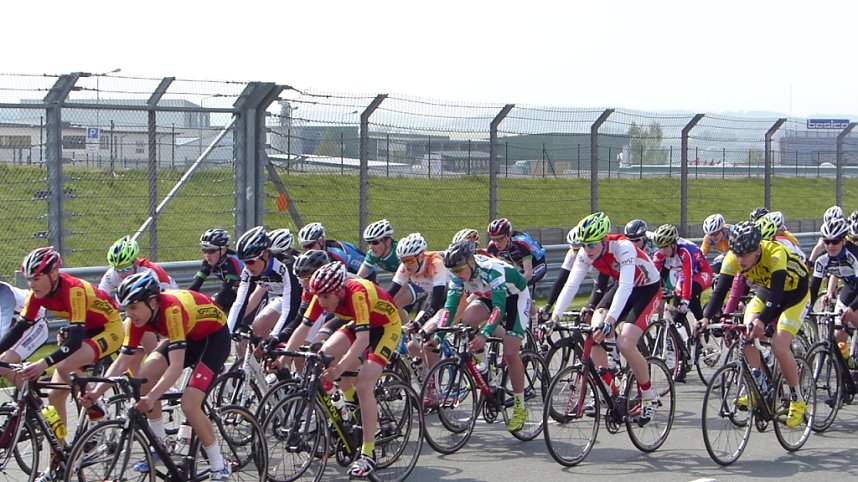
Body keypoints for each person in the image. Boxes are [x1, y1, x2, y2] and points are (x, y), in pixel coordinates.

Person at [80, 272, 232, 479]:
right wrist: (97, 393)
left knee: (189, 404)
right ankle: (161, 444)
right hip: (187, 336)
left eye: (133, 308)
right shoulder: (137, 319)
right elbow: (123, 360)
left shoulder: (172, 311)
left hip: (213, 339)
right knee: (144, 378)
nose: (129, 314)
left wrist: (152, 398)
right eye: (126, 309)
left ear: (152, 302)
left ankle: (219, 465)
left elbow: (176, 366)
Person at [16, 247, 123, 480]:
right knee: (55, 398)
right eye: (29, 279)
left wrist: (44, 363)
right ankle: (58, 459)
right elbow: (20, 327)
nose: (32, 285)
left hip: (109, 328)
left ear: (53, 274)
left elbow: (74, 340)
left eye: (37, 278)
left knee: (63, 367)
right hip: (84, 330)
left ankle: (96, 411)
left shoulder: (72, 289)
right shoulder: (37, 295)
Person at [549, 212, 663, 422]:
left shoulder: (624, 248)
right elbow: (571, 284)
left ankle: (648, 394)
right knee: (594, 330)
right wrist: (554, 317)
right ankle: (610, 388)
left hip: (646, 288)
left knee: (625, 342)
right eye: (584, 244)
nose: (587, 250)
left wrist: (611, 322)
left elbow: (627, 285)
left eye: (592, 244)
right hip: (623, 287)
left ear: (603, 239)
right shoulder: (585, 253)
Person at [697, 221, 810, 428]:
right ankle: (760, 387)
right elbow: (721, 291)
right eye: (737, 254)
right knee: (746, 334)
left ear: (757, 249)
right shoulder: (734, 257)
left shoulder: (775, 253)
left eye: (745, 254)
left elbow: (777, 297)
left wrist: (762, 320)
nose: (740, 260)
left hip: (795, 294)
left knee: (779, 345)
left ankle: (797, 399)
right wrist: (705, 318)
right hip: (766, 292)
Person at [427, 240, 531, 432]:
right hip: (488, 296)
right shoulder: (458, 276)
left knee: (509, 351)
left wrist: (484, 334)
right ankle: (485, 369)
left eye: (460, 269)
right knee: (466, 320)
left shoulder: (492, 270)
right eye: (454, 271)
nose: (458, 275)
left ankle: (520, 406)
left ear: (471, 261)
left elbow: (499, 308)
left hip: (515, 297)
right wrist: (439, 335)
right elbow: (449, 308)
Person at [309, 262, 402, 478]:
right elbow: (303, 326)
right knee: (326, 352)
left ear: (339, 290)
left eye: (325, 297)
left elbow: (363, 339)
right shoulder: (322, 292)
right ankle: (351, 403)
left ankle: (368, 454)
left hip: (386, 326)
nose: (321, 301)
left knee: (363, 384)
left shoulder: (357, 293)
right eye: (318, 296)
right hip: (361, 322)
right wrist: (285, 356)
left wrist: (341, 367)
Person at [651, 224, 713, 382]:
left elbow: (687, 276)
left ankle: (701, 325)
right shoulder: (660, 254)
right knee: (676, 307)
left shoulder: (685, 251)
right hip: (683, 275)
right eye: (660, 247)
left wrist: (684, 300)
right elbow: (653, 277)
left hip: (701, 273)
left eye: (665, 247)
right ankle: (682, 345)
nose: (662, 251)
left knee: (688, 296)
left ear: (673, 244)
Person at [226, 226, 299, 343]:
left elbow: (289, 309)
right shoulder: (249, 270)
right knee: (258, 326)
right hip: (284, 298)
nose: (248, 267)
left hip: (308, 301)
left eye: (250, 261)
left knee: (296, 351)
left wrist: (274, 337)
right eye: (244, 262)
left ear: (265, 254)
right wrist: (228, 331)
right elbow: (239, 303)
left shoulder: (286, 267)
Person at [0, 281, 49, 386]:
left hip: (34, 325)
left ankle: (33, 400)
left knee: (2, 363)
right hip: (16, 330)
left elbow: (5, 326)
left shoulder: (5, 294)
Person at [188, 228, 244, 313]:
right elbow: (195, 286)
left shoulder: (233, 261)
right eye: (204, 250)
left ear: (224, 249)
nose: (207, 255)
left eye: (211, 251)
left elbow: (225, 290)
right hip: (235, 289)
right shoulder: (208, 262)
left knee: (217, 304)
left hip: (253, 289)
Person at [299, 222, 376, 282]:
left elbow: (342, 278)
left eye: (310, 245)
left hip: (367, 275)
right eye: (304, 246)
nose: (307, 250)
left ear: (321, 240)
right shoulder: (323, 251)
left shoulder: (336, 253)